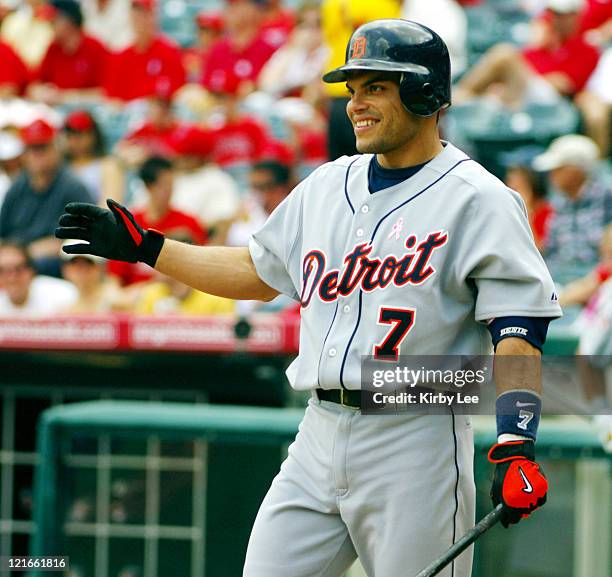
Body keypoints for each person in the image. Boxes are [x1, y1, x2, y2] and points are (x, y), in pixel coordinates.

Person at [57, 20, 561, 577]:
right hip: (317, 431)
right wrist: (150, 248)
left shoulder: (479, 199)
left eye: (375, 87)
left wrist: (517, 443)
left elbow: (517, 331)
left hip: (415, 439)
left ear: (424, 93)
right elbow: (256, 269)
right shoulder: (327, 184)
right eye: (353, 89)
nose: (355, 105)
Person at [454, 0, 600, 108]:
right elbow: (524, 62)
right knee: (503, 64)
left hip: (552, 99)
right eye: (555, 14)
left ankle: (460, 95)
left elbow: (563, 84)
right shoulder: (543, 39)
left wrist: (526, 76)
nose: (558, 19)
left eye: (564, 15)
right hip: (529, 84)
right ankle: (467, 98)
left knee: (505, 54)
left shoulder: (586, 47)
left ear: (576, 16)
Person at [0, 119, 94, 277]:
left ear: (56, 148)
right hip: (14, 261)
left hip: (50, 266)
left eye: (42, 147)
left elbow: (82, 239)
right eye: (31, 148)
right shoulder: (18, 185)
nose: (37, 155)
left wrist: (26, 253)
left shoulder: (73, 187)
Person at [107, 156, 207, 286]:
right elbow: (114, 279)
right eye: (164, 185)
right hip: (136, 299)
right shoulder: (128, 224)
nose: (169, 191)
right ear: (149, 186)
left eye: (172, 185)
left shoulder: (188, 224)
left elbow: (204, 269)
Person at [532, 134, 611, 283]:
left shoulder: (607, 199)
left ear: (575, 170)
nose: (551, 175)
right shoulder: (558, 203)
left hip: (597, 284)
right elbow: (550, 252)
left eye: (558, 169)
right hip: (558, 280)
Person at [27, 0, 108, 105]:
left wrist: (66, 96)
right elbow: (34, 85)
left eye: (54, 21)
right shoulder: (53, 48)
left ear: (69, 21)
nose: (50, 25)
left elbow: (106, 93)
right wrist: (41, 92)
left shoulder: (94, 48)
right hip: (57, 110)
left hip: (87, 112)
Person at [103, 0, 185, 102]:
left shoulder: (169, 52)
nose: (139, 20)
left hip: (157, 114)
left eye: (144, 15)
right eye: (136, 15)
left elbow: (176, 93)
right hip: (126, 114)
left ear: (153, 17)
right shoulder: (122, 56)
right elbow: (111, 97)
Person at [62, 109, 124, 205]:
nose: (75, 140)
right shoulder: (60, 166)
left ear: (93, 135)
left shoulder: (108, 165)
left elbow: (110, 205)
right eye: (71, 135)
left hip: (94, 217)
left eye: (80, 134)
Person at [0, 240, 77, 315]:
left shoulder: (62, 294)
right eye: (3, 270)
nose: (11, 278)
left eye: (18, 269)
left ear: (31, 271)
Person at [59, 239, 122, 313]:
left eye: (88, 263)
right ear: (65, 269)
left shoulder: (115, 300)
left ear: (100, 268)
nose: (82, 269)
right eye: (74, 263)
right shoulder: (63, 302)